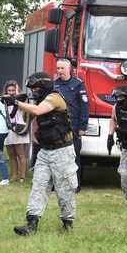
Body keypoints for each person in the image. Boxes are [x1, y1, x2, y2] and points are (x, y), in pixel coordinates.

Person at [12, 72, 77, 235]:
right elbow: (29, 119)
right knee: (38, 186)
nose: (33, 91)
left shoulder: (54, 98)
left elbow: (39, 110)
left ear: (44, 86)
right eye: (31, 89)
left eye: (35, 88)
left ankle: (67, 225)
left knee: (64, 190)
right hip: (45, 151)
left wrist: (16, 102)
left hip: (62, 151)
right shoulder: (40, 99)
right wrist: (17, 105)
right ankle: (31, 225)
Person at [53, 59, 89, 192]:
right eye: (58, 68)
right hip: (57, 126)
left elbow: (84, 106)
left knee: (73, 156)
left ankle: (75, 185)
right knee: (56, 155)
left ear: (69, 69)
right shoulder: (54, 85)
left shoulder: (78, 84)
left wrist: (83, 127)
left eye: (62, 68)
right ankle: (56, 184)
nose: (59, 71)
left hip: (73, 125)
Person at [3, 80, 29, 183]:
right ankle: (14, 175)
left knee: (21, 154)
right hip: (8, 129)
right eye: (9, 90)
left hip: (18, 128)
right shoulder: (4, 100)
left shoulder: (21, 99)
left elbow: (22, 98)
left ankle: (23, 176)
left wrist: (17, 92)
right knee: (11, 155)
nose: (11, 92)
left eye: (13, 90)